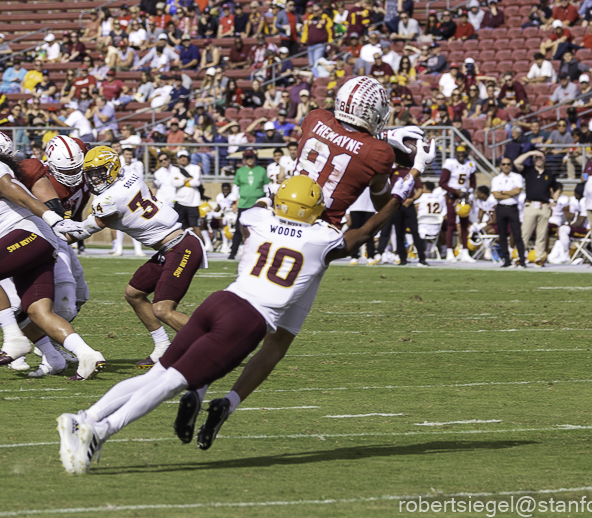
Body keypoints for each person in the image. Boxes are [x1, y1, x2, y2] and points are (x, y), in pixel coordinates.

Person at [55, 165, 430, 471]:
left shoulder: (258, 219)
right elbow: (363, 232)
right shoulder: (319, 239)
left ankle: (85, 416)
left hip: (221, 301)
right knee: (169, 383)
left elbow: (274, 208)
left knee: (158, 374)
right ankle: (97, 431)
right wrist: (397, 196)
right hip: (249, 319)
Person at [185, 77, 426, 443]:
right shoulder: (379, 154)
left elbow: (341, 132)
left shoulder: (315, 119)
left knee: (239, 311)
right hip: (315, 241)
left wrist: (386, 141)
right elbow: (379, 201)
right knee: (276, 339)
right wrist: (403, 159)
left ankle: (199, 386)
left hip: (274, 223)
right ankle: (230, 401)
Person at [0, 132, 104, 379]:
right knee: (36, 313)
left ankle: (14, 341)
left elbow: (20, 195)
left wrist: (53, 218)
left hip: (30, 235)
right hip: (29, 243)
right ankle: (86, 354)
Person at [59, 146, 208, 369]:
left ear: (111, 169)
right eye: (91, 174)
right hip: (170, 246)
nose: (94, 178)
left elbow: (82, 232)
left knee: (162, 309)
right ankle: (162, 347)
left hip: (181, 247)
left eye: (99, 172)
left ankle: (214, 347)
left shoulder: (109, 199)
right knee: (134, 293)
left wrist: (54, 228)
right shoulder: (131, 175)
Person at [513, 150, 561, 267]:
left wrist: (554, 200)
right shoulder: (529, 171)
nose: (538, 160)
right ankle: (520, 257)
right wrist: (530, 153)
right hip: (530, 205)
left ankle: (539, 258)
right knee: (525, 233)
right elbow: (516, 163)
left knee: (541, 234)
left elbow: (557, 187)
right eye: (536, 158)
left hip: (543, 206)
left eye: (541, 157)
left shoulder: (549, 174)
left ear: (545, 159)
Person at [228, 148, 269, 259]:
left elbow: (266, 187)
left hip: (257, 205)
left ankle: (260, 253)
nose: (249, 160)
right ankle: (233, 253)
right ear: (244, 159)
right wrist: (234, 202)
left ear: (255, 158)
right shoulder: (240, 171)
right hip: (243, 204)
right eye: (247, 158)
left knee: (259, 230)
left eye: (251, 157)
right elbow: (236, 188)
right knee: (238, 230)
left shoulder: (261, 170)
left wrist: (267, 202)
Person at [439, 145, 476, 262]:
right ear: (455, 154)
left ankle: (465, 252)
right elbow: (442, 182)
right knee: (451, 224)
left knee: (464, 225)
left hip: (463, 198)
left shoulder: (470, 165)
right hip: (452, 197)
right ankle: (450, 251)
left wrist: (468, 192)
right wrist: (455, 191)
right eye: (459, 153)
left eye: (463, 153)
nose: (461, 155)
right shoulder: (450, 163)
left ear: (466, 154)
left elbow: (473, 183)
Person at [492, 158, 526, 267]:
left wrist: (503, 192)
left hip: (512, 208)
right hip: (501, 207)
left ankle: (522, 259)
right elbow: (495, 195)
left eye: (508, 164)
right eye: (504, 164)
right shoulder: (496, 179)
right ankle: (506, 260)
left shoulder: (517, 177)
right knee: (502, 235)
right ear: (500, 165)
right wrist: (510, 193)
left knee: (517, 234)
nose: (506, 166)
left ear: (511, 165)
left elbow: (517, 191)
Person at [171, 149, 203, 239]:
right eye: (180, 157)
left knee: (195, 226)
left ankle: (201, 246)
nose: (183, 159)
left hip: (193, 202)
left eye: (184, 157)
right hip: (180, 201)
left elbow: (197, 182)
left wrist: (182, 182)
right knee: (181, 226)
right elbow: (174, 183)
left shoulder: (195, 168)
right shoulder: (175, 170)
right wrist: (187, 180)